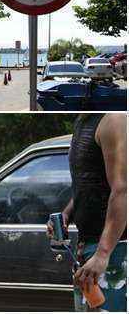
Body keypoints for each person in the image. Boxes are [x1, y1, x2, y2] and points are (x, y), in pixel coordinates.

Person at [47, 114, 126, 312]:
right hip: (89, 250)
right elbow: (90, 183)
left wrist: (103, 254)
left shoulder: (114, 119)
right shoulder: (84, 120)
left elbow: (123, 190)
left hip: (116, 251)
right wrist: (66, 214)